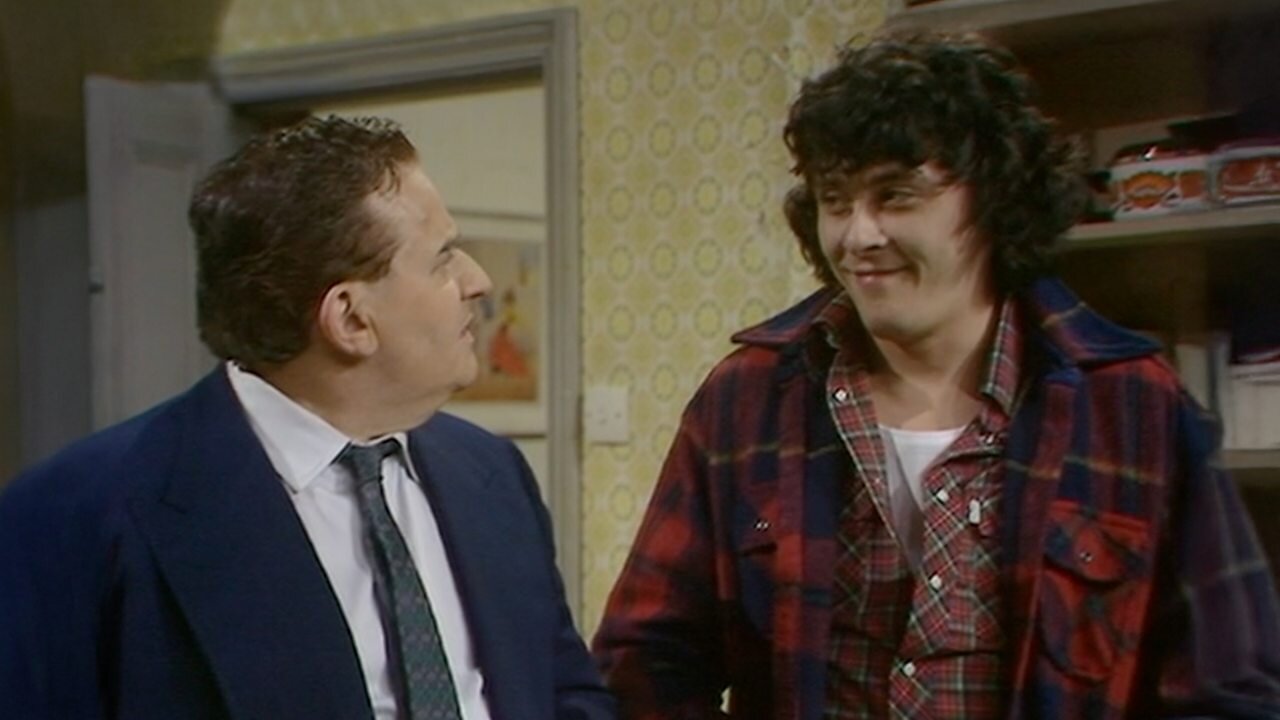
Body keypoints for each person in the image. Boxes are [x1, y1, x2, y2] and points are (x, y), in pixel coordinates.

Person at [592, 30, 1280, 719]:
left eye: (896, 197)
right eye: (836, 200)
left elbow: (1230, 691)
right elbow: (644, 664)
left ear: (992, 200)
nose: (859, 236)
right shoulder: (748, 398)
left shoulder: (1132, 406)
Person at [0, 116, 614, 720]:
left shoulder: (490, 471)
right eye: (443, 258)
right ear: (350, 319)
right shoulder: (77, 515)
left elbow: (565, 691)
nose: (477, 281)